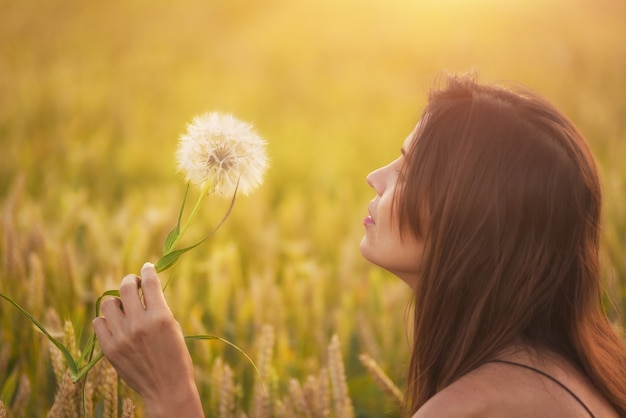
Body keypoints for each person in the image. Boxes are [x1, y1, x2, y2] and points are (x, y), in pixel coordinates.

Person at [93, 72, 626, 417]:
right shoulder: (576, 372)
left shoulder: (473, 410)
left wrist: (171, 396)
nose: (375, 176)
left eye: (410, 167)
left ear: (472, 215)